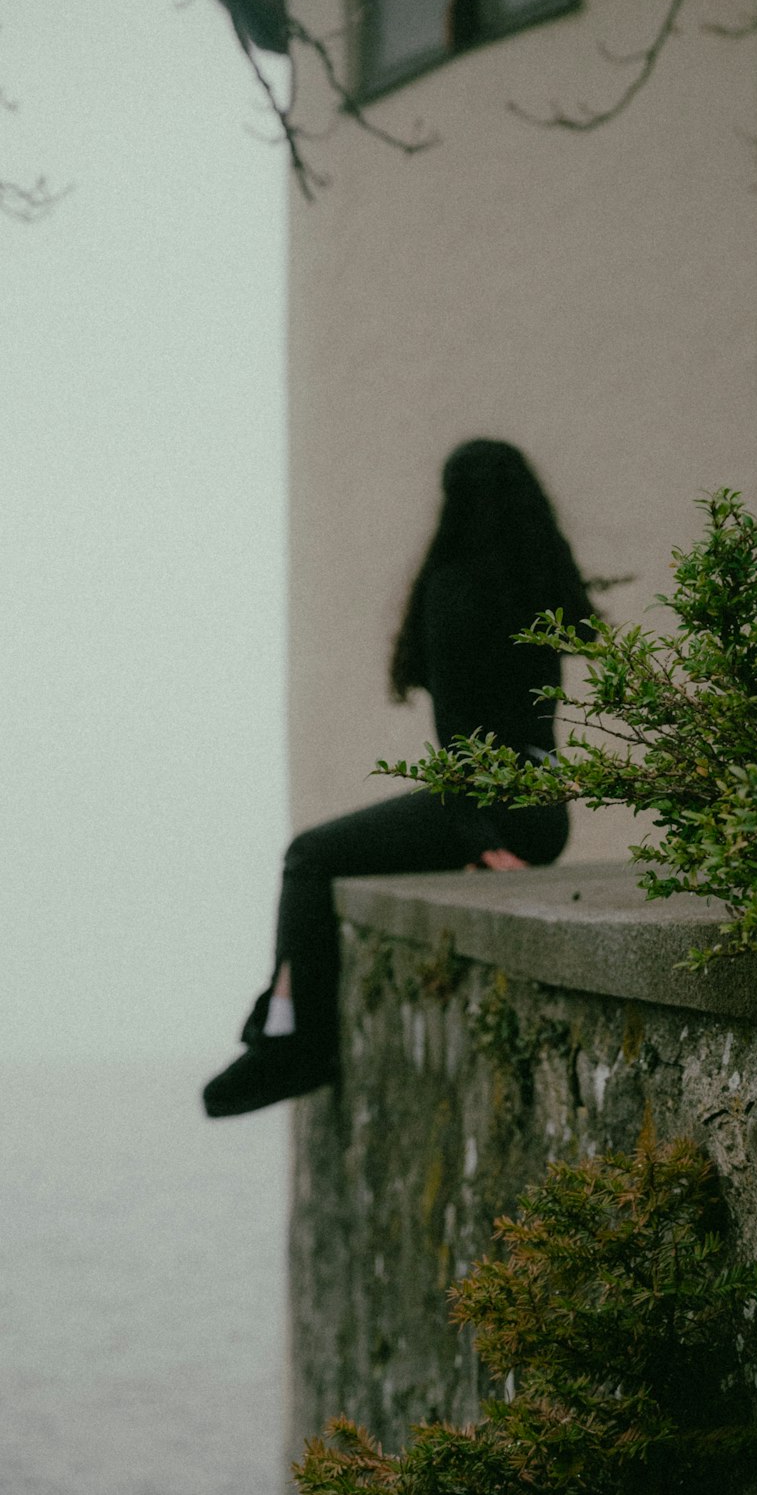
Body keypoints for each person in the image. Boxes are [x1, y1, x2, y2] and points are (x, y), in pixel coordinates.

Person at [202, 439, 593, 1118]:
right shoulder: (537, 587)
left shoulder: (456, 585)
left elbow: (460, 741)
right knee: (319, 854)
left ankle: (294, 1039)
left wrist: (475, 835)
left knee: (309, 854)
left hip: (491, 807)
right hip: (545, 810)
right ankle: (280, 1026)